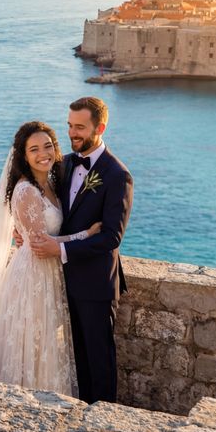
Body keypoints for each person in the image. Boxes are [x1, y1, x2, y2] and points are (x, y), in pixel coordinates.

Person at [0, 121, 100, 396]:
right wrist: (85, 235)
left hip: (47, 272)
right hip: (32, 276)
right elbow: (40, 243)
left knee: (43, 346)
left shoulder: (51, 181)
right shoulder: (26, 190)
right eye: (34, 149)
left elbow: (36, 234)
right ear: (23, 156)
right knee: (30, 344)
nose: (43, 153)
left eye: (48, 146)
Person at [30, 96, 133, 404]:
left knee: (99, 362)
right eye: (70, 126)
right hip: (61, 283)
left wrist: (60, 251)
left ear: (100, 127)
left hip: (95, 285)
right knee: (75, 360)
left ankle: (103, 422)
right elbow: (46, 203)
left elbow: (111, 238)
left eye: (80, 128)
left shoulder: (118, 176)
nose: (73, 134)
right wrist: (23, 228)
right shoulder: (66, 163)